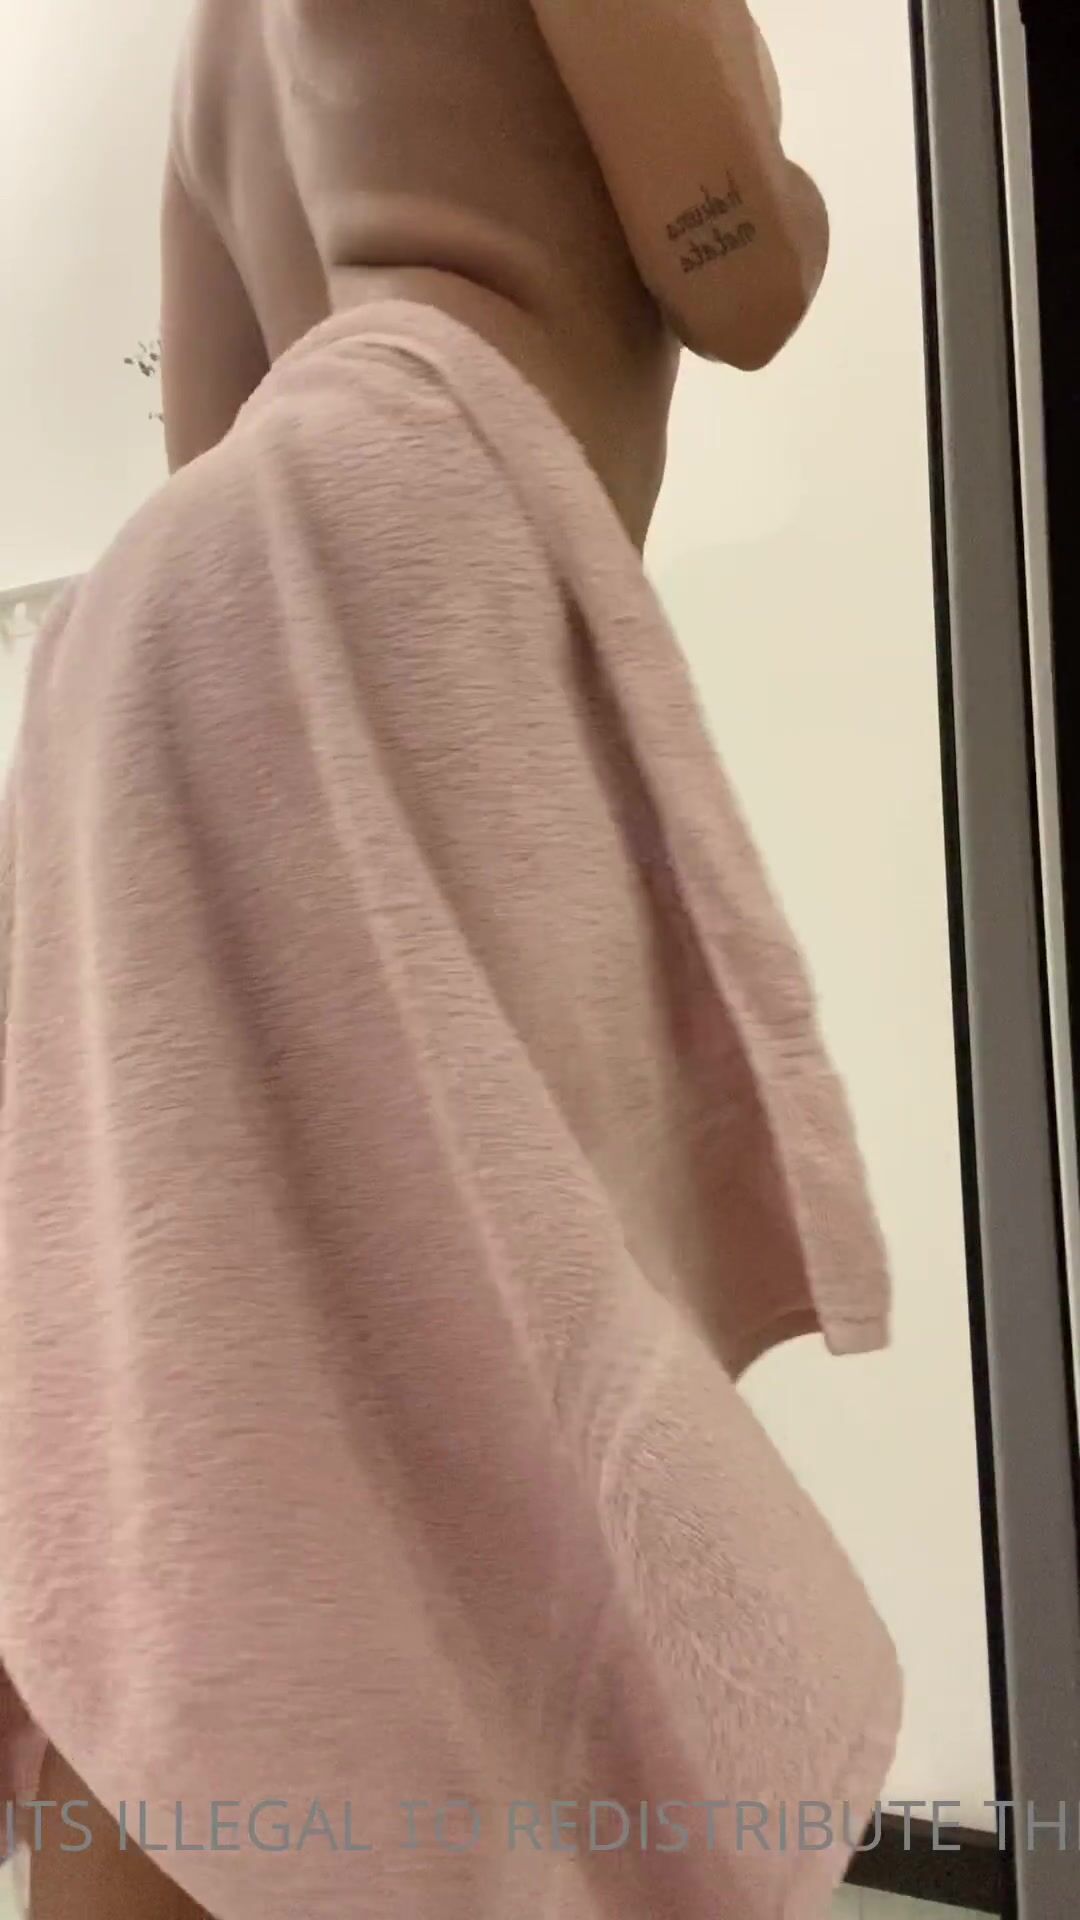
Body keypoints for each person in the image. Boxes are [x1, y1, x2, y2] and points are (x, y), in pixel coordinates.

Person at [0, 4, 899, 1917]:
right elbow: (736, 275)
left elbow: (208, 439)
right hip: (399, 538)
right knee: (509, 1410)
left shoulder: (215, 45)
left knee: (207, 1444)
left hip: (142, 632)